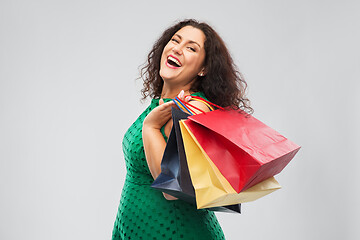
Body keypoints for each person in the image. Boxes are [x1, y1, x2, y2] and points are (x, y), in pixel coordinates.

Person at [112, 19, 252, 240]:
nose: (178, 48)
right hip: (138, 230)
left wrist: (150, 127)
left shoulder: (193, 108)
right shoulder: (160, 105)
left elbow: (171, 187)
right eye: (175, 40)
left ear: (204, 68)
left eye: (191, 48)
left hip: (175, 231)